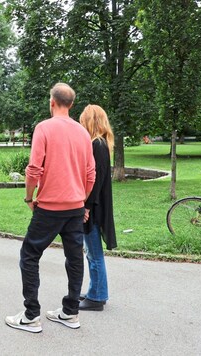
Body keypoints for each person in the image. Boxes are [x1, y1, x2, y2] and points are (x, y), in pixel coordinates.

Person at [5, 83, 96, 333]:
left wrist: (28, 198)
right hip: (75, 208)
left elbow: (34, 169)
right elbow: (91, 174)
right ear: (72, 104)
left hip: (49, 207)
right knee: (75, 259)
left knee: (29, 256)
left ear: (52, 102)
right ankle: (70, 312)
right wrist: (81, 201)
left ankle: (31, 315)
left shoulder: (44, 128)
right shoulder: (83, 133)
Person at [78, 104, 117, 311]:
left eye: (83, 119)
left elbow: (96, 181)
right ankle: (95, 290)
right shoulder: (99, 144)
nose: (80, 123)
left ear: (90, 121)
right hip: (95, 205)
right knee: (91, 252)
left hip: (94, 207)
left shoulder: (97, 145)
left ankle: (98, 296)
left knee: (94, 253)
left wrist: (86, 207)